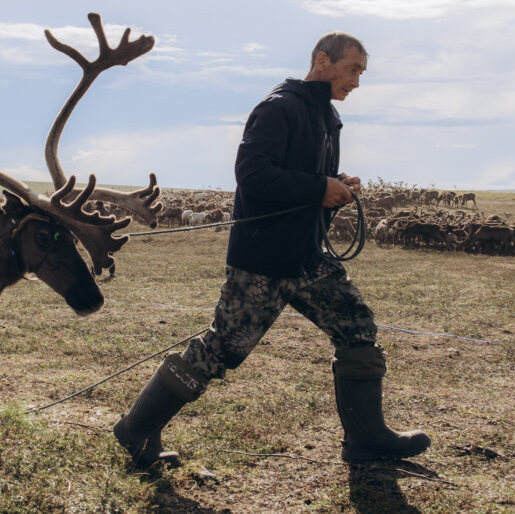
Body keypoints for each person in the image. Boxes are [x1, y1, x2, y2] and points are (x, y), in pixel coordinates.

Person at [113, 32, 430, 467]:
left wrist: (336, 188)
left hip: (307, 257)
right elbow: (253, 174)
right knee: (220, 350)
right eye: (353, 69)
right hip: (263, 261)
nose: (357, 81)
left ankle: (367, 440)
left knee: (357, 327)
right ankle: (136, 428)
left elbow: (300, 183)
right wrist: (320, 187)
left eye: (361, 72)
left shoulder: (326, 118)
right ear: (323, 61)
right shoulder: (279, 107)